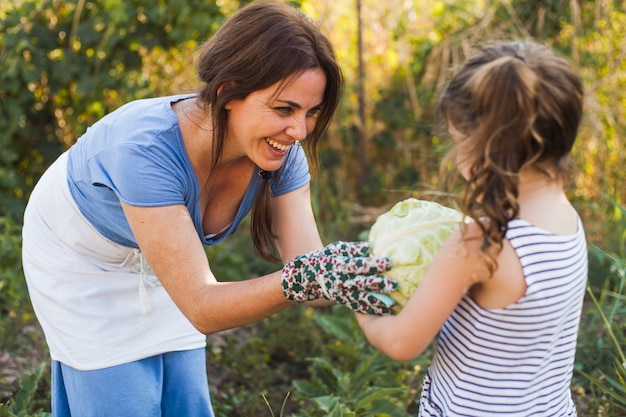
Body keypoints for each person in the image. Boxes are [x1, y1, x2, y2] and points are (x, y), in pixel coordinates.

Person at [21, 1, 397, 416]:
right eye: (284, 109)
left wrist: (375, 272)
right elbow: (203, 306)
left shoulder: (281, 152)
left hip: (166, 252)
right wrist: (303, 279)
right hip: (78, 255)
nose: (300, 131)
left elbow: (310, 274)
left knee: (187, 403)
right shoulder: (144, 151)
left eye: (311, 113)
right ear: (227, 92)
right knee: (121, 400)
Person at [356, 40, 587, 416]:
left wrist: (360, 300)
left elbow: (401, 343)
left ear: (484, 147)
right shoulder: (568, 220)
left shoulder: (481, 244)